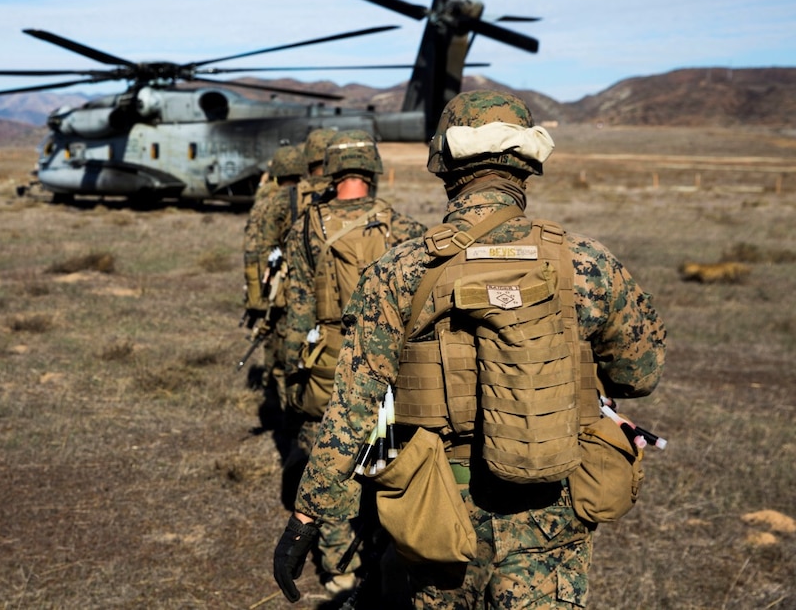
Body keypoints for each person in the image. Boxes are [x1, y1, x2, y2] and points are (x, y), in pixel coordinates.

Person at [273, 90, 666, 608]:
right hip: (552, 512)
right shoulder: (588, 262)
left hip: (438, 513)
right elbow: (639, 375)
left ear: (445, 163)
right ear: (527, 161)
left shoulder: (399, 271)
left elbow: (353, 411)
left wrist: (308, 515)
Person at [279, 128, 426, 598]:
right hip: (389, 365)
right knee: (385, 456)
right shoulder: (402, 228)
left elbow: (296, 309)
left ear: (334, 169)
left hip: (326, 361)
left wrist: (292, 370)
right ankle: (385, 554)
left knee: (327, 456)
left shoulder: (306, 226)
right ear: (372, 169)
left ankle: (338, 568)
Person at [242, 143, 307, 403]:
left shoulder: (267, 203)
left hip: (278, 289)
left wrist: (257, 296)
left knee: (275, 347)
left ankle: (276, 398)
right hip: (306, 291)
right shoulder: (314, 197)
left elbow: (254, 249)